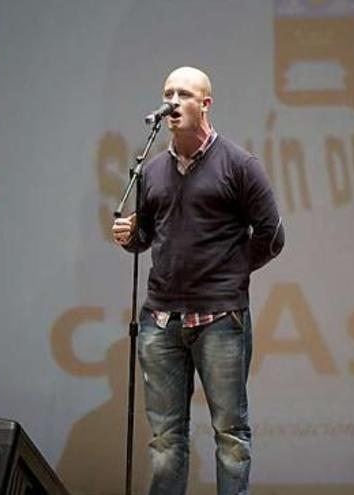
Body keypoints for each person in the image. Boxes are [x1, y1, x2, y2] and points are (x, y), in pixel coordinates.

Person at [111, 66, 284, 495]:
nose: (172, 101)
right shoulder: (149, 172)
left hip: (221, 318)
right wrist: (132, 236)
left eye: (183, 94)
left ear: (205, 104)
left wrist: (230, 274)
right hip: (160, 321)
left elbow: (272, 235)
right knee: (166, 439)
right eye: (167, 93)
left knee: (230, 434)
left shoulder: (239, 165)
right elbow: (149, 236)